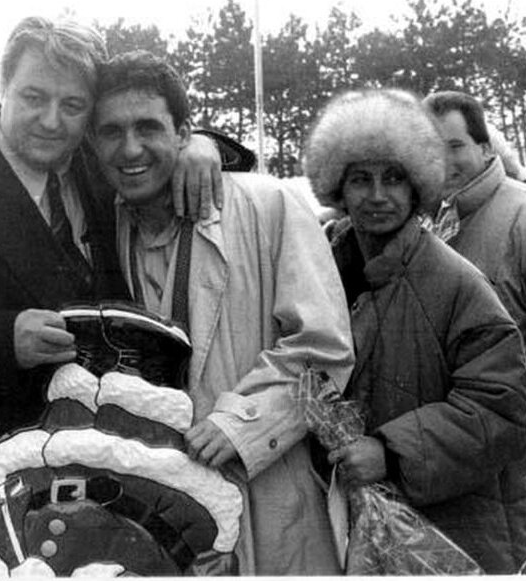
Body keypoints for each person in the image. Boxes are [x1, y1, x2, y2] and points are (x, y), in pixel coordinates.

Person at [0, 17, 231, 577]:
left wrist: (200, 146)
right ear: (2, 88)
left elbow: (156, 148)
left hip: (104, 488)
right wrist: (3, 337)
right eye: (34, 97)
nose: (52, 120)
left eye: (73, 105)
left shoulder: (95, 170)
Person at [90, 50, 354, 574]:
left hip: (269, 494)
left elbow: (325, 348)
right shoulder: (101, 227)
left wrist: (242, 425)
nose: (130, 148)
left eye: (148, 127)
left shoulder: (268, 205)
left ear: (184, 133)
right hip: (160, 505)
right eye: (111, 131)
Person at [305, 88, 526, 574]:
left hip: (450, 538)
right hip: (351, 528)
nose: (378, 196)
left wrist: (391, 452)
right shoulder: (320, 273)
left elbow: (500, 408)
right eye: (360, 179)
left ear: (418, 186)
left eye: (393, 178)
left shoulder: (458, 284)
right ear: (337, 187)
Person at [423, 91, 526, 566]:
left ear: (485, 148)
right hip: (447, 459)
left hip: (524, 461)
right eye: (430, 148)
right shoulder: (420, 223)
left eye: (455, 146)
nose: (444, 161)